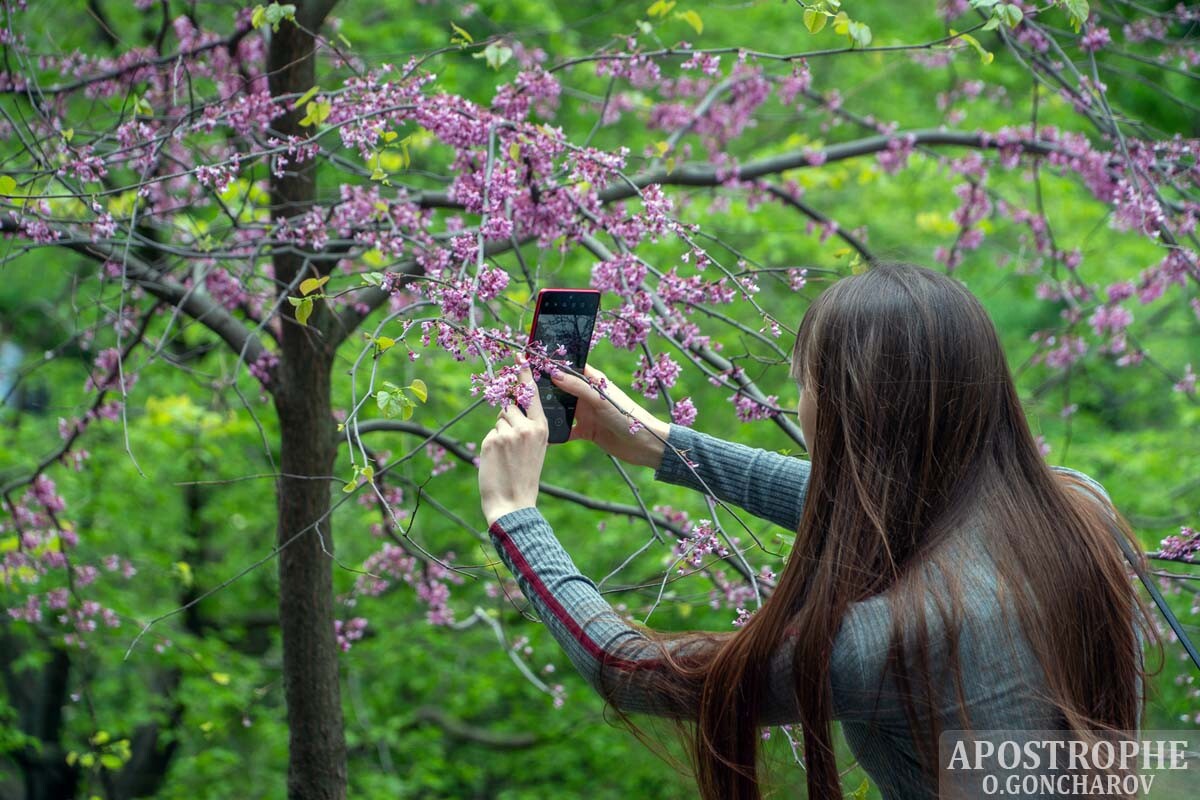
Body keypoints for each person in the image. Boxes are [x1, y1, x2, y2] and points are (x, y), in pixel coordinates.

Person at [476, 263, 1155, 800]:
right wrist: (661, 443)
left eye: (803, 383)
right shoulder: (1075, 510)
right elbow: (896, 512)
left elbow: (628, 669)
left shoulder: (884, 641)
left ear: (842, 411)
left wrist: (516, 517)